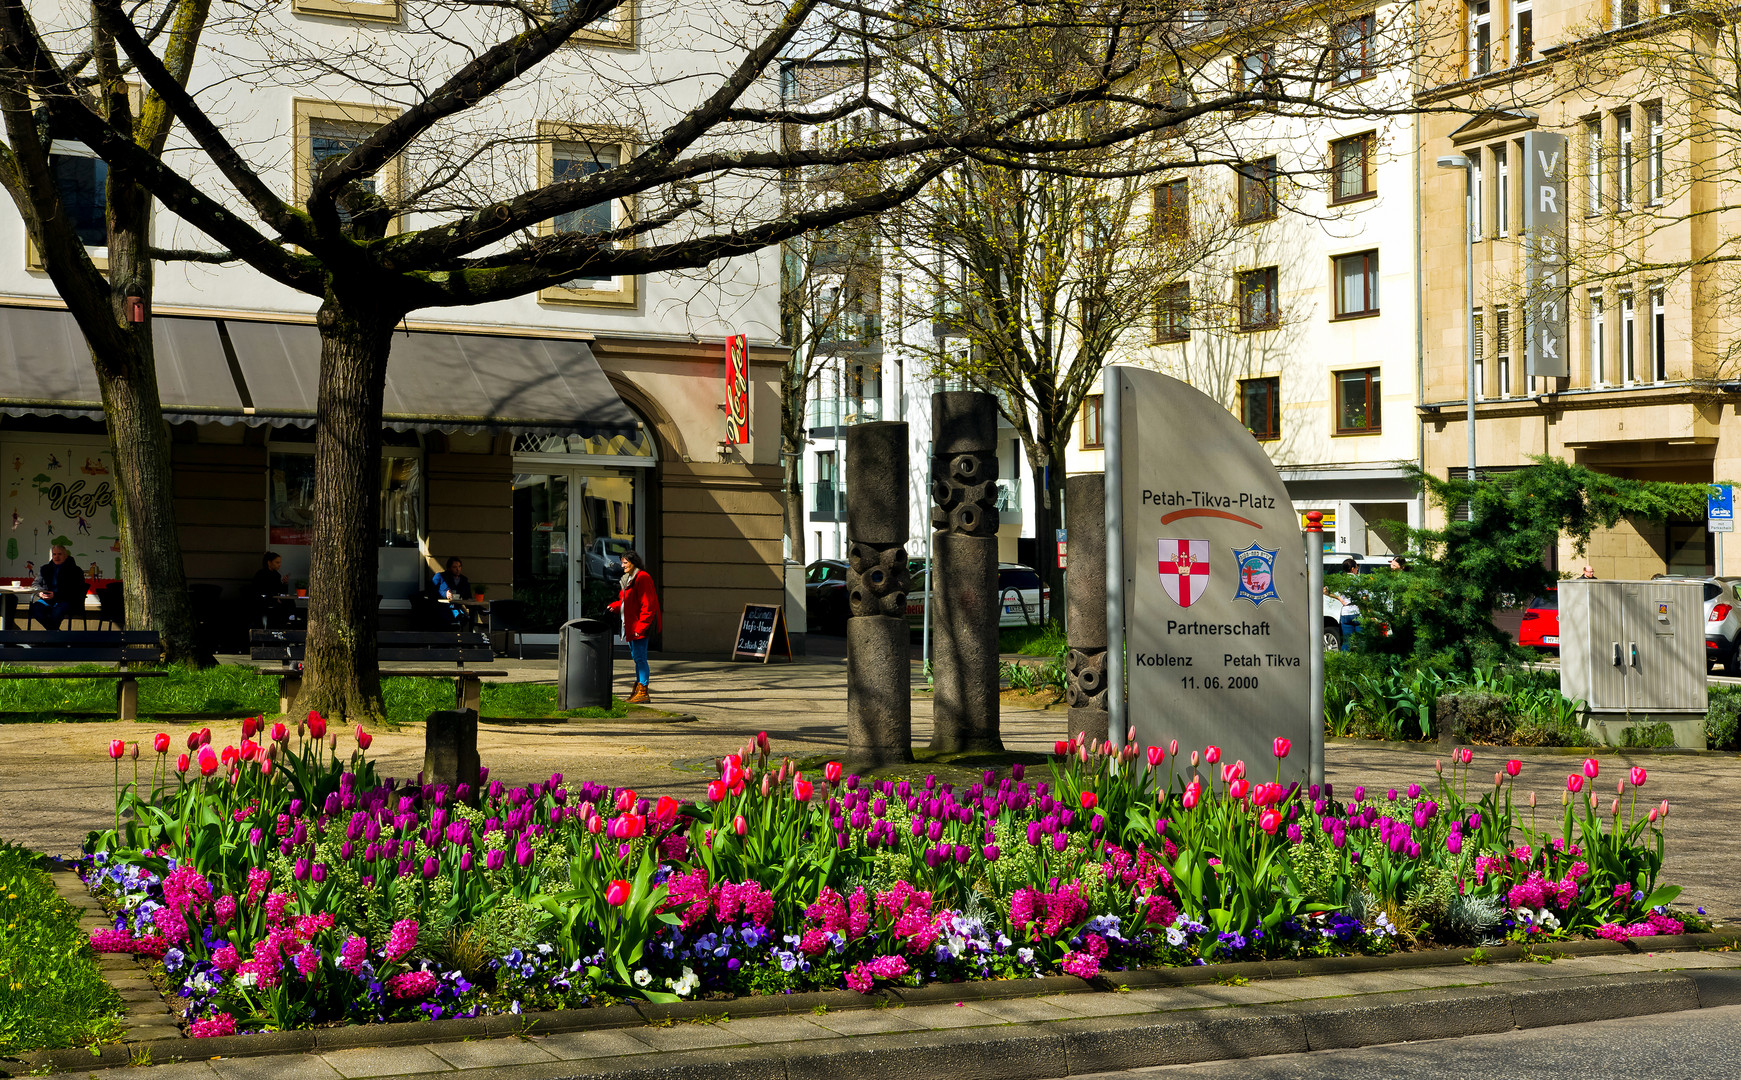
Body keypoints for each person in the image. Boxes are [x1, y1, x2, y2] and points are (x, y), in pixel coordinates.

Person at [607, 550, 661, 704]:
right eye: (622, 562)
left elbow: (648, 605)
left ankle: (643, 690)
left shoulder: (642, 577)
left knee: (640, 658)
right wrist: (614, 606)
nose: (623, 565)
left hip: (638, 625)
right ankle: (639, 689)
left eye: (626, 562)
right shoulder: (629, 578)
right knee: (637, 658)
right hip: (632, 625)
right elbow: (627, 602)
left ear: (634, 562)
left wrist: (641, 627)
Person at [31, 544, 86, 632]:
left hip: (66, 600)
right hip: (47, 599)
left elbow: (76, 590)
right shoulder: (45, 569)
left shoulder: (75, 570)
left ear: (66, 556)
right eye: (54, 554)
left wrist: (56, 595)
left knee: (56, 612)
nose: (56, 557)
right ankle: (56, 633)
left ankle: (54, 636)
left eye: (59, 554)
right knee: (35, 609)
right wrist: (39, 592)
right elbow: (35, 584)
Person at [248, 551, 296, 628]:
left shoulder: (277, 575)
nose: (279, 565)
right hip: (263, 601)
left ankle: (290, 622)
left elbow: (280, 589)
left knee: (290, 602)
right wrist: (275, 597)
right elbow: (260, 590)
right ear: (269, 563)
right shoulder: (261, 574)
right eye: (277, 562)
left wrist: (285, 583)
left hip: (274, 599)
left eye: (280, 562)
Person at [432, 557, 476, 626]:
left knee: (464, 618)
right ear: (449, 568)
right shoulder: (440, 576)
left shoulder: (464, 580)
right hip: (443, 608)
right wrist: (445, 594)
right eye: (454, 567)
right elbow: (431, 592)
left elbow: (468, 596)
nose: (457, 569)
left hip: (458, 607)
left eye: (459, 566)